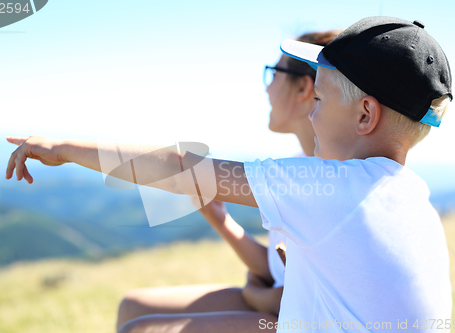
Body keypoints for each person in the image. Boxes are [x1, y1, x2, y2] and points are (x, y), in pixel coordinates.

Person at [5, 16, 452, 333]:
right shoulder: (414, 201)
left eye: (319, 100)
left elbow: (184, 170)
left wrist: (62, 149)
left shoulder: (332, 189)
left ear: (365, 115)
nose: (312, 116)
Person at [114, 29, 341, 332]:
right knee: (132, 306)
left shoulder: (320, 176)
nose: (267, 88)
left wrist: (255, 295)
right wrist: (220, 219)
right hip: (280, 307)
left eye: (274, 74)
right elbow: (278, 270)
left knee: (141, 328)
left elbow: (292, 298)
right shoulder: (301, 162)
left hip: (307, 320)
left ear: (303, 87)